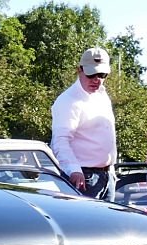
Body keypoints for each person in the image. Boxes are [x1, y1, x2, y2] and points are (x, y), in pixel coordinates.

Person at [50, 47, 117, 200]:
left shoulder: (102, 95)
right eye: (91, 74)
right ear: (79, 70)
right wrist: (74, 170)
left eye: (102, 74)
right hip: (83, 178)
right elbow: (60, 141)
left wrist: (110, 171)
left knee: (108, 224)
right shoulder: (68, 100)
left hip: (107, 176)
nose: (96, 79)